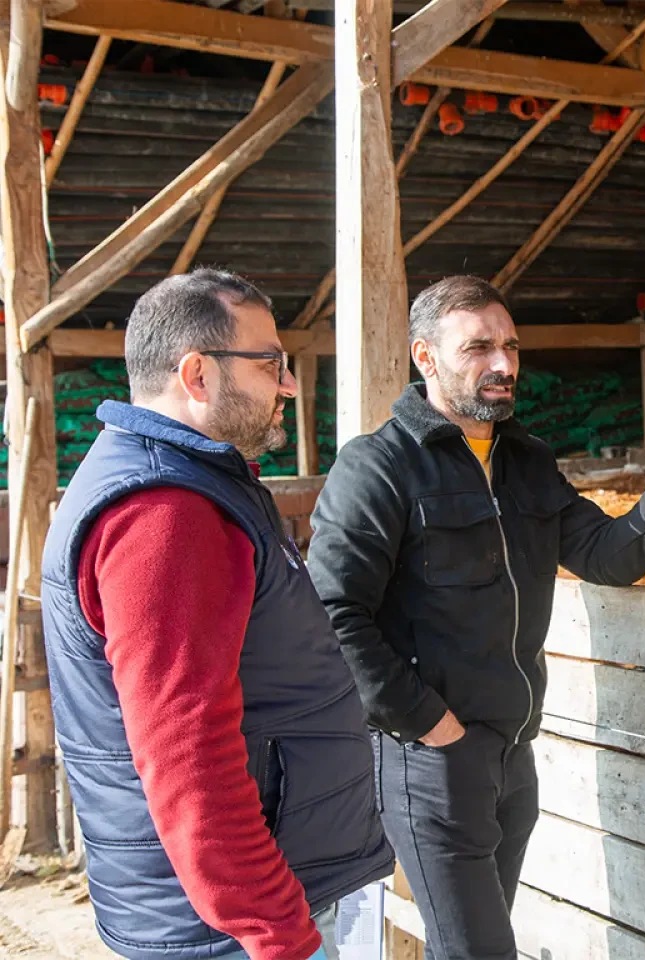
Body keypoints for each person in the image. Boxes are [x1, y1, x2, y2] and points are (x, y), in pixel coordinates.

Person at [307, 275, 645, 960]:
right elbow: (331, 614)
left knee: (475, 943)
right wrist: (428, 722)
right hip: (432, 761)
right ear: (426, 357)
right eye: (478, 348)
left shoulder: (526, 463)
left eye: (509, 346)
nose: (503, 364)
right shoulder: (379, 467)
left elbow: (602, 552)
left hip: (512, 759)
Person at [41, 270, 393, 960]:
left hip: (242, 904)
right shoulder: (164, 515)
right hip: (240, 927)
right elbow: (185, 752)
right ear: (197, 374)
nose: (288, 384)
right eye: (270, 363)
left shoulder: (186, 484)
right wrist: (277, 932)